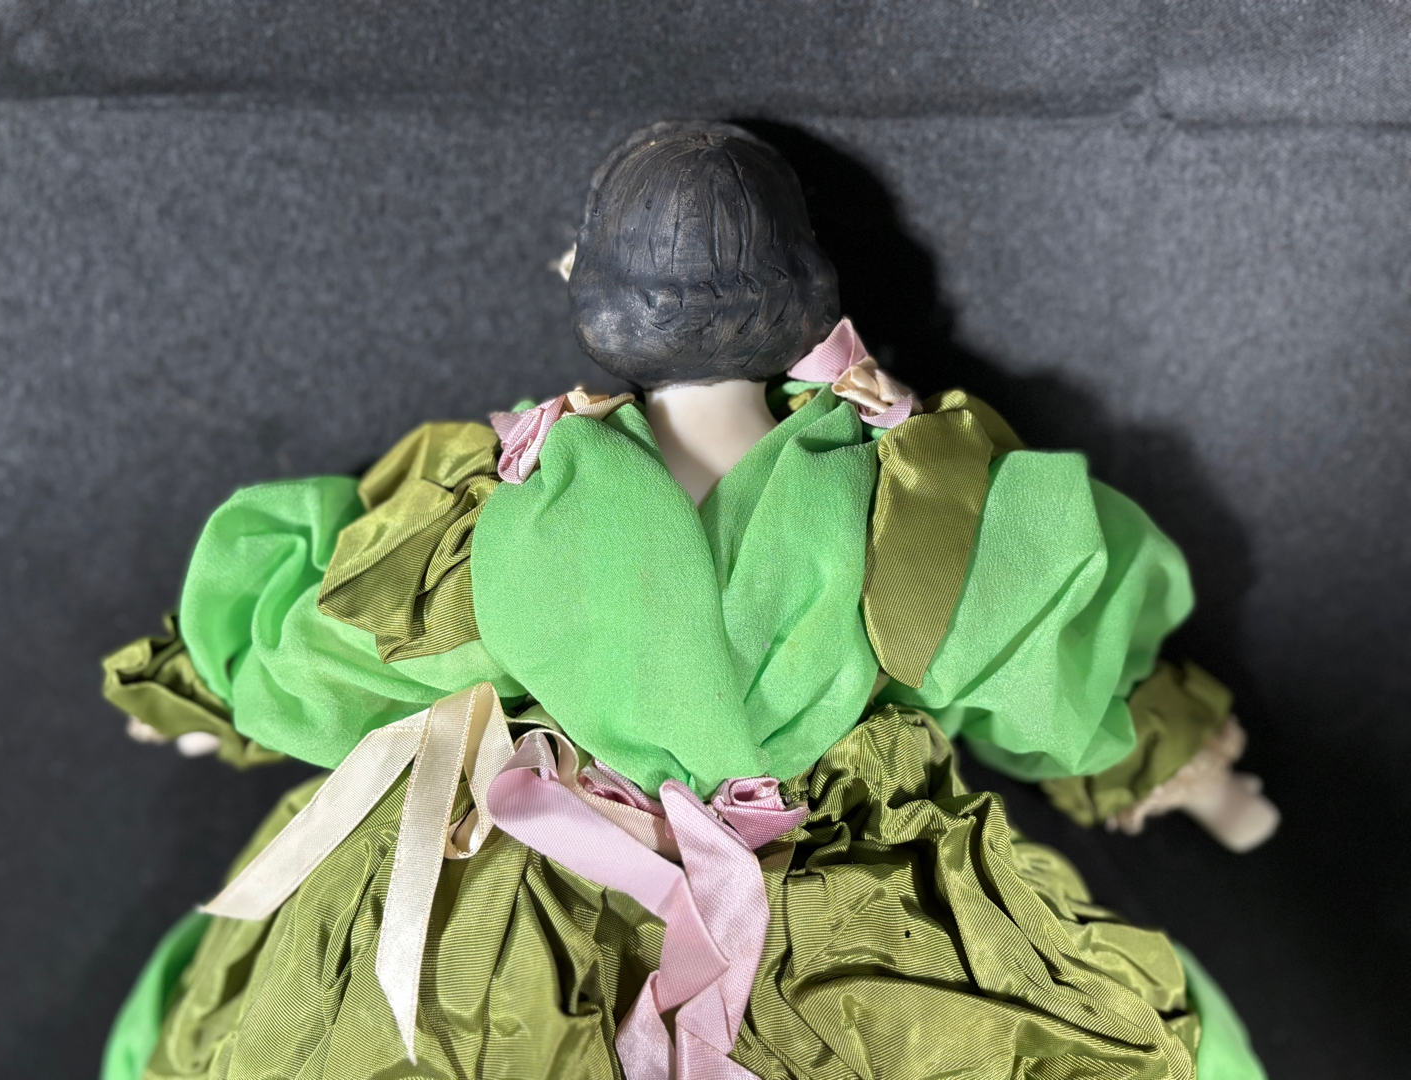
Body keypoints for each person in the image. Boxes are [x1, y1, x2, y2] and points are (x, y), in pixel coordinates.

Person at [101, 121, 1271, 1080]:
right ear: (805, 296)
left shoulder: (512, 505)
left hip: (533, 913)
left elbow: (354, 634)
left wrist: (210, 685)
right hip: (855, 925)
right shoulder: (910, 501)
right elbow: (1049, 651)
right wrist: (1195, 777)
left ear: (593, 293)